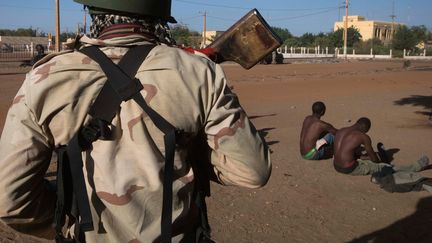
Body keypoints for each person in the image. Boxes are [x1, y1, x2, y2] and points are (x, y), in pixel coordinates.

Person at [0, 0, 271, 242]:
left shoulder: (43, 78)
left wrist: (68, 222)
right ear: (159, 16)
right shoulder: (199, 73)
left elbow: (9, 201)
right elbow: (252, 170)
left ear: (92, 12)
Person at [333, 117, 429, 175]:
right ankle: (415, 167)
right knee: (385, 167)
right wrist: (377, 160)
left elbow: (344, 151)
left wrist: (362, 156)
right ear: (366, 128)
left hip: (336, 165)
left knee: (360, 154)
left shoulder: (341, 130)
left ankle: (377, 157)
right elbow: (374, 160)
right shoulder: (363, 137)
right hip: (348, 168)